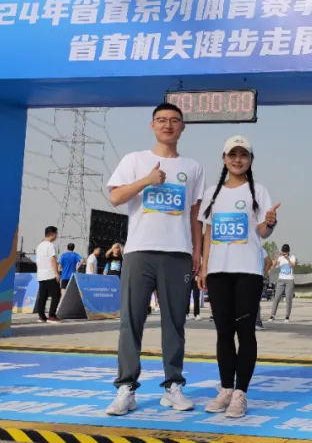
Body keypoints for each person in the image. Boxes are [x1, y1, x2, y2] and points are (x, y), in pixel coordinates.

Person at [105, 103, 204, 416]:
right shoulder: (134, 160)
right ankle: (126, 388)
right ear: (152, 125)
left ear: (183, 127)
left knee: (175, 323)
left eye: (174, 120)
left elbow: (195, 215)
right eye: (161, 120)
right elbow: (115, 197)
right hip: (139, 251)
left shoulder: (193, 167)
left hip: (177, 253)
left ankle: (173, 385)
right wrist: (146, 180)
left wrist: (198, 252)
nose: (168, 125)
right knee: (131, 321)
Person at [197, 135, 279, 418]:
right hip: (218, 271)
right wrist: (204, 267)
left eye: (243, 155)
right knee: (223, 332)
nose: (237, 159)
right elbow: (208, 233)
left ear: (251, 160)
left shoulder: (259, 192)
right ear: (224, 159)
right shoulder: (212, 193)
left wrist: (270, 223)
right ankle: (225, 389)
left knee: (245, 332)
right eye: (232, 154)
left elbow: (262, 231)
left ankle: (240, 393)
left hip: (247, 271)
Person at [34, 226, 62, 324]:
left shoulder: (39, 245)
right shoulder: (50, 245)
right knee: (56, 295)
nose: (56, 236)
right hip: (50, 274)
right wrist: (56, 273)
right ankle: (52, 316)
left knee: (43, 296)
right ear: (52, 234)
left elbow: (37, 261)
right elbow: (52, 259)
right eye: (56, 234)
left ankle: (42, 316)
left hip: (41, 274)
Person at [269, 244, 297, 323]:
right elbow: (273, 266)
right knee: (276, 298)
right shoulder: (280, 258)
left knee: (288, 299)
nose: (284, 253)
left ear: (288, 251)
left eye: (286, 251)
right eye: (283, 251)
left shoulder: (292, 257)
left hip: (289, 280)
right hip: (281, 280)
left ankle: (287, 316)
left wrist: (287, 259)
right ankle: (272, 315)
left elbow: (293, 266)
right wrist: (277, 257)